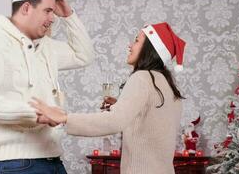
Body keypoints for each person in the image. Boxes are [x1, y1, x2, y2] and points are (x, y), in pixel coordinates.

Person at [0, 0, 95, 173]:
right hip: (15, 164)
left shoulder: (46, 47)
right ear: (26, 8)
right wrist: (35, 114)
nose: (53, 18)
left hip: (52, 160)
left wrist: (68, 15)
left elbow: (83, 55)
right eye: (48, 11)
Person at [30, 22, 186, 174]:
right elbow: (152, 122)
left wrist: (65, 118)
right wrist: (120, 105)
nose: (130, 46)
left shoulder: (142, 78)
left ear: (150, 49)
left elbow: (114, 121)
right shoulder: (167, 84)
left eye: (137, 41)